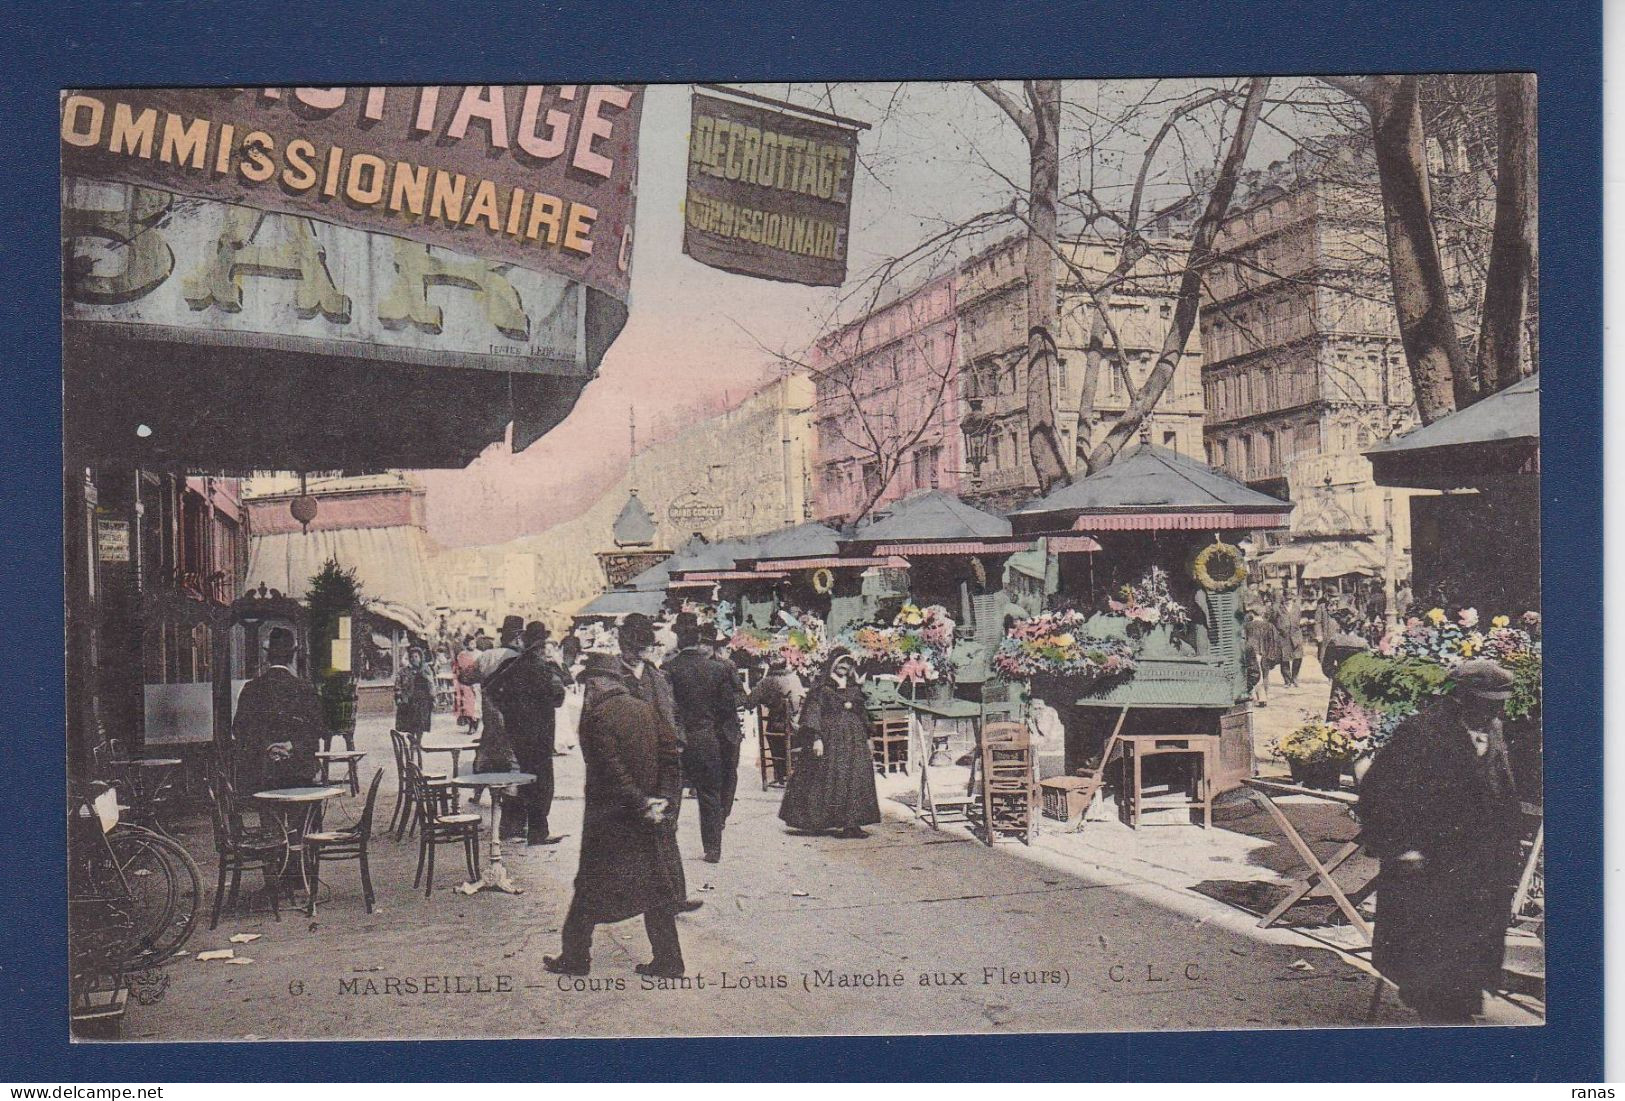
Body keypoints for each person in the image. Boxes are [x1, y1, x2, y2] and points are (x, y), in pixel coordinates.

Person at [1357, 659, 1524, 1023]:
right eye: (1487, 702)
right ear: (1462, 699)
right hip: (1427, 865)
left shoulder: (1493, 731)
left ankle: (1455, 1017)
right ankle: (1443, 1025)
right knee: (1430, 965)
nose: (1496, 710)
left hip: (1478, 869)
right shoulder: (1422, 732)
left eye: (1500, 702)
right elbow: (1376, 793)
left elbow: (1503, 795)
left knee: (1468, 960)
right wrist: (1402, 847)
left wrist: (1509, 850)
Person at [545, 645, 686, 980]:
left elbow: (610, 770)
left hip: (611, 819)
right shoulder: (647, 710)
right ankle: (669, 960)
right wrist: (661, 799)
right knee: (656, 888)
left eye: (590, 684)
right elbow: (671, 756)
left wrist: (640, 803)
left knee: (589, 888)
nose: (589, 691)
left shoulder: (596, 719)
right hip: (648, 818)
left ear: (596, 684)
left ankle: (575, 958)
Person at [581, 614, 698, 913]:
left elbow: (671, 716)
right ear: (624, 644)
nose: (640, 651)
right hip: (626, 768)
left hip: (664, 763)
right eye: (635, 645)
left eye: (645, 645)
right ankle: (623, 903)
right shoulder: (607, 676)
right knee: (624, 840)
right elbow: (590, 729)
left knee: (665, 828)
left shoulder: (657, 677)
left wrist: (677, 746)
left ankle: (674, 897)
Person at [482, 621, 570, 845]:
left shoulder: (512, 665)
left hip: (517, 732)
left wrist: (510, 711)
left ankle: (519, 827)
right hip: (541, 734)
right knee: (542, 783)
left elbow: (491, 689)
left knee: (523, 779)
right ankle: (538, 831)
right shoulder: (545, 668)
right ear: (541, 647)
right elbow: (559, 698)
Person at [664, 620, 745, 863]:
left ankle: (667, 847)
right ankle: (713, 849)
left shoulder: (668, 668)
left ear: (679, 641)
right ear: (698, 642)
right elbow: (727, 708)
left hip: (677, 740)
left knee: (673, 794)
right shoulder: (717, 670)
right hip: (707, 739)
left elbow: (667, 707)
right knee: (709, 794)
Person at [779, 649, 882, 838]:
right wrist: (817, 738)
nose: (845, 666)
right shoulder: (821, 686)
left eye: (848, 663)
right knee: (831, 776)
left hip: (854, 738)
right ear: (833, 664)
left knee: (855, 777)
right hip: (830, 738)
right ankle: (824, 821)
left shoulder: (853, 686)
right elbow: (813, 711)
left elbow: (861, 712)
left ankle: (852, 824)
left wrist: (868, 737)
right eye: (841, 662)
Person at [231, 627, 324, 795]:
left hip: (264, 774)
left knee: (270, 816)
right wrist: (291, 746)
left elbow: (239, 729)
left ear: (267, 656)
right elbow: (317, 729)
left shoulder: (251, 688)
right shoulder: (305, 688)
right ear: (293, 655)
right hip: (299, 773)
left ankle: (270, 823)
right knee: (304, 818)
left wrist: (268, 747)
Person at [459, 615, 524, 809]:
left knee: (486, 751)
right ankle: (510, 801)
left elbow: (465, 677)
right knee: (512, 758)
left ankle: (478, 794)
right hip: (513, 715)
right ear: (518, 637)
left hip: (490, 712)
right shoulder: (520, 658)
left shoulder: (486, 656)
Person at [394, 645, 435, 735]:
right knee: (411, 725)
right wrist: (398, 697)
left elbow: (431, 684)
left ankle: (418, 742)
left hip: (423, 701)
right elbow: (398, 685)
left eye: (416, 656)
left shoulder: (426, 670)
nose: (414, 659)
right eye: (411, 657)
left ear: (420, 658)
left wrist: (433, 698)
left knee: (421, 724)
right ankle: (413, 743)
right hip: (410, 700)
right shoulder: (404, 671)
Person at [1243, 609, 1276, 706]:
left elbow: (1244, 640)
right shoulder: (1269, 626)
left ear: (1252, 614)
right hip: (1265, 653)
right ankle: (1264, 696)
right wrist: (1271, 654)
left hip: (1252, 652)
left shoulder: (1247, 625)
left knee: (1255, 674)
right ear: (1262, 614)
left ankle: (1258, 697)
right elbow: (1273, 641)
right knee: (1265, 675)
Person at [1273, 596, 1305, 688]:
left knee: (1298, 657)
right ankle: (1287, 681)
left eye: (1289, 599)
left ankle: (1294, 678)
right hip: (1283, 637)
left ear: (1292, 599)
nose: (1288, 601)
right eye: (1286, 599)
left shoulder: (1297, 608)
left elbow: (1299, 619)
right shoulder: (1278, 609)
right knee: (1284, 659)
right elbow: (1272, 621)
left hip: (1296, 636)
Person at [451, 635, 480, 732]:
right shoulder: (461, 655)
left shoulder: (480, 654)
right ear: (467, 644)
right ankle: (470, 724)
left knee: (476, 705)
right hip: (465, 683)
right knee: (467, 705)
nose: (473, 645)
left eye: (474, 643)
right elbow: (457, 668)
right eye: (471, 643)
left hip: (476, 682)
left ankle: (475, 723)